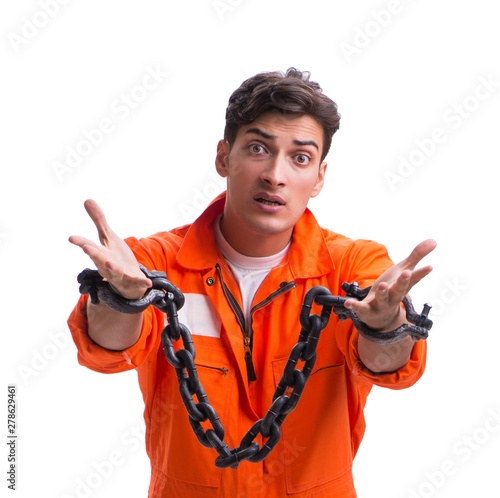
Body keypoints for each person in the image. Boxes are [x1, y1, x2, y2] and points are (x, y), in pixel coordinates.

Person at [68, 67, 436, 498]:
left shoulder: (354, 267)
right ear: (224, 156)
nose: (274, 175)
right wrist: (119, 298)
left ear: (318, 177)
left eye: (300, 157)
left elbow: (388, 365)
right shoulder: (152, 263)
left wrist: (384, 324)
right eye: (259, 148)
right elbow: (106, 352)